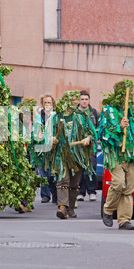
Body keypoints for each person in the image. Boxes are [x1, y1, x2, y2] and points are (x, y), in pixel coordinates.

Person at [99, 79, 134, 230]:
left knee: (129, 187)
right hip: (115, 154)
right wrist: (119, 127)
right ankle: (108, 210)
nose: (132, 95)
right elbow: (102, 134)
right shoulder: (108, 111)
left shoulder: (133, 111)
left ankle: (124, 220)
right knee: (119, 183)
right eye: (130, 92)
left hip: (131, 154)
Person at [44, 90, 97, 219]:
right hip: (61, 154)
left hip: (77, 155)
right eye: (73, 100)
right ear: (67, 101)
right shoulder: (55, 118)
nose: (76, 102)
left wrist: (88, 139)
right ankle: (62, 207)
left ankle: (71, 208)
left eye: (76, 100)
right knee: (63, 180)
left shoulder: (82, 117)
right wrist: (52, 140)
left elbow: (92, 133)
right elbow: (47, 135)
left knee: (74, 183)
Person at [77, 90, 100, 201]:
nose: (84, 101)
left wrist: (93, 136)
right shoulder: (74, 113)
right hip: (78, 146)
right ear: (79, 100)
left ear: (89, 100)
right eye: (82, 99)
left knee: (91, 167)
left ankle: (92, 191)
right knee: (80, 168)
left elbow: (100, 128)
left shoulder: (94, 113)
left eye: (86, 99)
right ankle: (80, 192)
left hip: (91, 146)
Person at [35, 93, 57, 203]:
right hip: (42, 147)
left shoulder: (56, 116)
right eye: (45, 103)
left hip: (54, 148)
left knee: (52, 173)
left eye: (49, 102)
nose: (47, 104)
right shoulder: (39, 116)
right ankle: (45, 195)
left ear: (53, 104)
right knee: (42, 172)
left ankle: (54, 192)